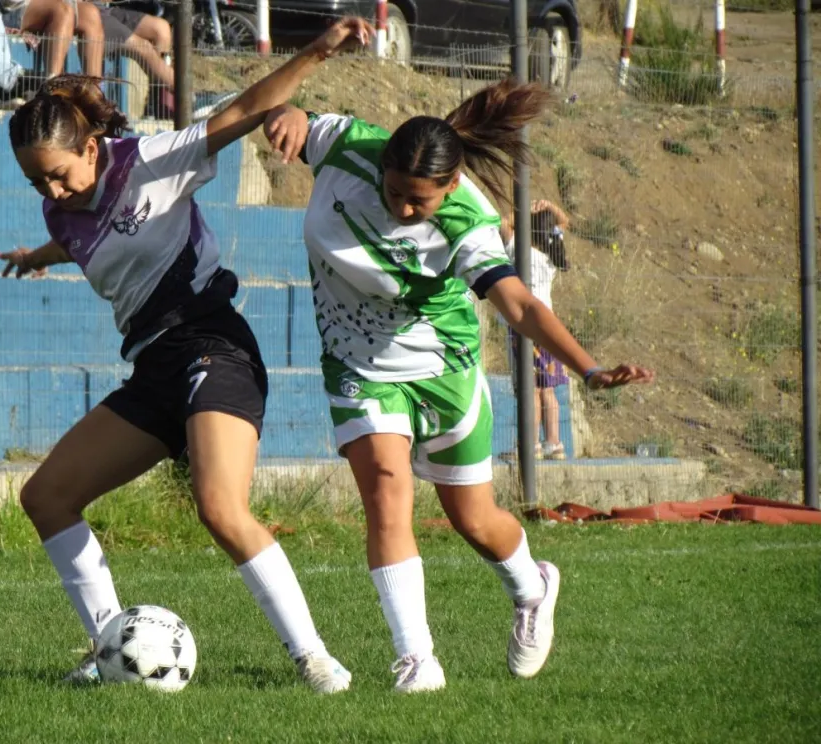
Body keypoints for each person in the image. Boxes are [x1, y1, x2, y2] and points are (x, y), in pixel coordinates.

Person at [0, 17, 375, 693]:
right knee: (47, 497)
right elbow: (82, 237)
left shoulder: (152, 161)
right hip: (154, 366)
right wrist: (37, 256)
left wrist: (317, 51)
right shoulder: (61, 213)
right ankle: (110, 648)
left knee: (218, 507)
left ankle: (316, 660)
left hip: (213, 346)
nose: (51, 194)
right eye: (37, 186)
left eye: (57, 176)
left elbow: (243, 110)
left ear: (90, 147)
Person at [259, 83, 654, 692]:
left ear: (451, 185)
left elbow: (518, 305)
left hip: (444, 373)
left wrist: (590, 368)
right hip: (359, 369)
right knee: (388, 495)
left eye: (421, 202)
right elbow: (298, 118)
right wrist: (285, 116)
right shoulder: (347, 146)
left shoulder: (468, 219)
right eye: (395, 194)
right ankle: (417, 660)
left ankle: (533, 587)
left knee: (472, 519)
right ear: (383, 164)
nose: (404, 210)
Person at [500, 199, 571, 460]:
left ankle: (530, 446)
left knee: (529, 389)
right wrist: (550, 206)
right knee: (547, 388)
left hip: (525, 327)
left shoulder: (520, 252)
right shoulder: (553, 256)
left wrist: (521, 212)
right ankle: (554, 443)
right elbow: (563, 221)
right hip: (549, 327)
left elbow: (501, 223)